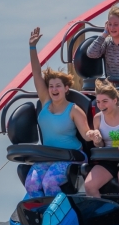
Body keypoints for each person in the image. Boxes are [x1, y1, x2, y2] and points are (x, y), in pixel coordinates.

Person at [26, 27, 92, 199]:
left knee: (49, 183)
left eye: (58, 86)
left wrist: (93, 134)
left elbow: (86, 133)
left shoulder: (73, 109)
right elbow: (36, 74)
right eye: (51, 86)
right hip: (49, 156)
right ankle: (42, 212)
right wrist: (32, 47)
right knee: (31, 184)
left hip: (71, 156)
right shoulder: (46, 102)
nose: (54, 89)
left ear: (66, 88)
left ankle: (60, 213)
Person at [84, 79, 119, 216]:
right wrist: (97, 140)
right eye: (98, 102)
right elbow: (100, 145)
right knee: (89, 185)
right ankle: (103, 215)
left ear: (115, 100)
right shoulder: (97, 118)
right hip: (109, 158)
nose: (100, 105)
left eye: (105, 101)